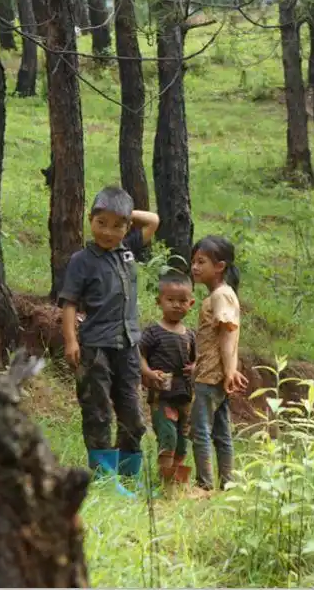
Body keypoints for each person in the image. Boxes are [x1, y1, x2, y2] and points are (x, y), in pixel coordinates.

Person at [57, 187, 159, 493]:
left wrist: (125, 213)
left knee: (132, 413)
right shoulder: (81, 260)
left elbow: (153, 220)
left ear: (127, 227)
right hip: (95, 347)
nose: (108, 232)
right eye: (101, 222)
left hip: (127, 346)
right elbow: (69, 303)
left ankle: (130, 477)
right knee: (98, 411)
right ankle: (105, 479)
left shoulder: (127, 249)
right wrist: (71, 341)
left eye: (117, 225)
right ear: (90, 220)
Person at [189, 235, 249, 491]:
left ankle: (204, 485)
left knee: (200, 430)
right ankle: (228, 484)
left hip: (210, 375)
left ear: (220, 266)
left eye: (201, 262)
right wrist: (230, 371)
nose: (194, 267)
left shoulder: (220, 296)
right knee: (221, 432)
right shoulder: (225, 293)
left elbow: (226, 335)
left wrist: (228, 370)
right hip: (216, 373)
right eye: (193, 261)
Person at [139, 270, 197, 486]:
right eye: (170, 300)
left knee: (183, 443)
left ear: (191, 303)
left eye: (182, 301)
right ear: (159, 301)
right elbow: (139, 354)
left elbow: (197, 359)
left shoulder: (190, 334)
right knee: (168, 438)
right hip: (162, 396)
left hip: (185, 397)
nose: (176, 305)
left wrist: (195, 368)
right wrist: (147, 372)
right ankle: (165, 485)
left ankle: (177, 484)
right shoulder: (153, 331)